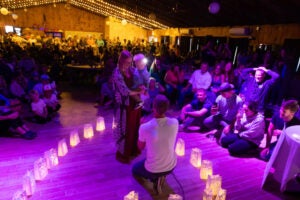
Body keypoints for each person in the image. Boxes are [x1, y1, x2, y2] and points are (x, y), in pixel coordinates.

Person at [132, 94, 178, 194]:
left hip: (153, 169)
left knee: (135, 169)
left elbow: (140, 147)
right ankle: (160, 176)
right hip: (171, 165)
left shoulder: (145, 127)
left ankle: (155, 178)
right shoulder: (175, 123)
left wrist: (139, 127)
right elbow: (158, 131)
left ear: (153, 108)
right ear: (167, 108)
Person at [112, 50, 145, 164]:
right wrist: (138, 91)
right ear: (121, 61)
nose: (128, 65)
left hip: (135, 104)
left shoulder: (132, 70)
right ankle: (124, 153)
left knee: (135, 127)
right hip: (125, 105)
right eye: (126, 62)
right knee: (126, 129)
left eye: (130, 62)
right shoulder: (116, 73)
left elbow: (139, 80)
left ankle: (132, 150)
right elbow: (124, 91)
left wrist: (142, 87)